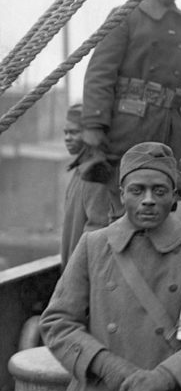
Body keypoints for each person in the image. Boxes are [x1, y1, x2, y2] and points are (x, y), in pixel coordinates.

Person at [40, 142, 181, 391]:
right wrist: (108, 366)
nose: (148, 200)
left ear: (173, 198)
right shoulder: (94, 245)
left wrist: (166, 376)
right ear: (122, 194)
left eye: (159, 191)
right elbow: (57, 322)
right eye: (137, 190)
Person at [81, 0, 181, 165]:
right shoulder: (127, 15)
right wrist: (94, 124)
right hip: (130, 125)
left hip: (170, 128)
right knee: (127, 188)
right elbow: (100, 72)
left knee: (166, 188)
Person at [60, 103, 111, 270]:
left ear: (90, 135)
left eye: (74, 132)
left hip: (82, 273)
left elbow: (96, 228)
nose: (67, 138)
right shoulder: (80, 170)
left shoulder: (94, 173)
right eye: (66, 133)